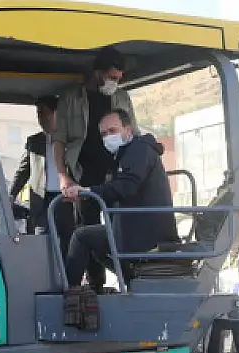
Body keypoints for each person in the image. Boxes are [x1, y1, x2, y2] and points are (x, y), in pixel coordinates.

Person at [60, 109, 176, 291]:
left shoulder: (139, 151)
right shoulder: (125, 155)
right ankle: (131, 280)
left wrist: (88, 191)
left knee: (81, 237)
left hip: (145, 232)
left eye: (113, 131)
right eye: (104, 134)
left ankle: (68, 292)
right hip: (135, 227)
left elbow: (126, 187)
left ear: (128, 130)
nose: (108, 137)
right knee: (97, 244)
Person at [54, 46, 137, 289]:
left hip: (117, 175)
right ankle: (94, 286)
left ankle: (129, 279)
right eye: (111, 77)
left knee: (120, 228)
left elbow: (134, 132)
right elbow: (59, 141)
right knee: (86, 230)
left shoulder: (123, 98)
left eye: (118, 78)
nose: (114, 82)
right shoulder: (71, 99)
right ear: (97, 72)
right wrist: (63, 176)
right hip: (84, 174)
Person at [10, 96, 64, 235]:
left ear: (56, 113)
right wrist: (12, 194)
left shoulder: (70, 139)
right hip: (42, 199)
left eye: (43, 113)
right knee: (41, 234)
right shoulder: (34, 141)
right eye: (38, 114)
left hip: (65, 197)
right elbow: (23, 171)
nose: (40, 118)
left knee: (67, 236)